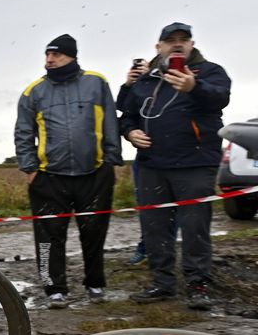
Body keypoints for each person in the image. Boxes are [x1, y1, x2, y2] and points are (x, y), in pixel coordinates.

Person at [118, 22, 231, 310]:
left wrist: (194, 87)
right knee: (155, 228)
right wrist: (130, 132)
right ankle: (162, 283)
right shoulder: (147, 79)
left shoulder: (210, 72)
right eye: (171, 40)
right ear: (159, 47)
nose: (177, 44)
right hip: (151, 165)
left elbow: (221, 97)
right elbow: (127, 115)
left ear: (192, 44)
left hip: (195, 163)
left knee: (195, 227)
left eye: (184, 39)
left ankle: (198, 284)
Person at [14, 34, 121, 309]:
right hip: (49, 178)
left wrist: (111, 161)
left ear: (72, 56)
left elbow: (110, 122)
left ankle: (95, 284)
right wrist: (30, 168)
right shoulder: (33, 91)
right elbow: (23, 132)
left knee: (94, 232)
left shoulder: (97, 83)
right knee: (48, 238)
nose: (50, 59)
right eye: (47, 55)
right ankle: (54, 289)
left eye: (57, 54)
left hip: (94, 174)